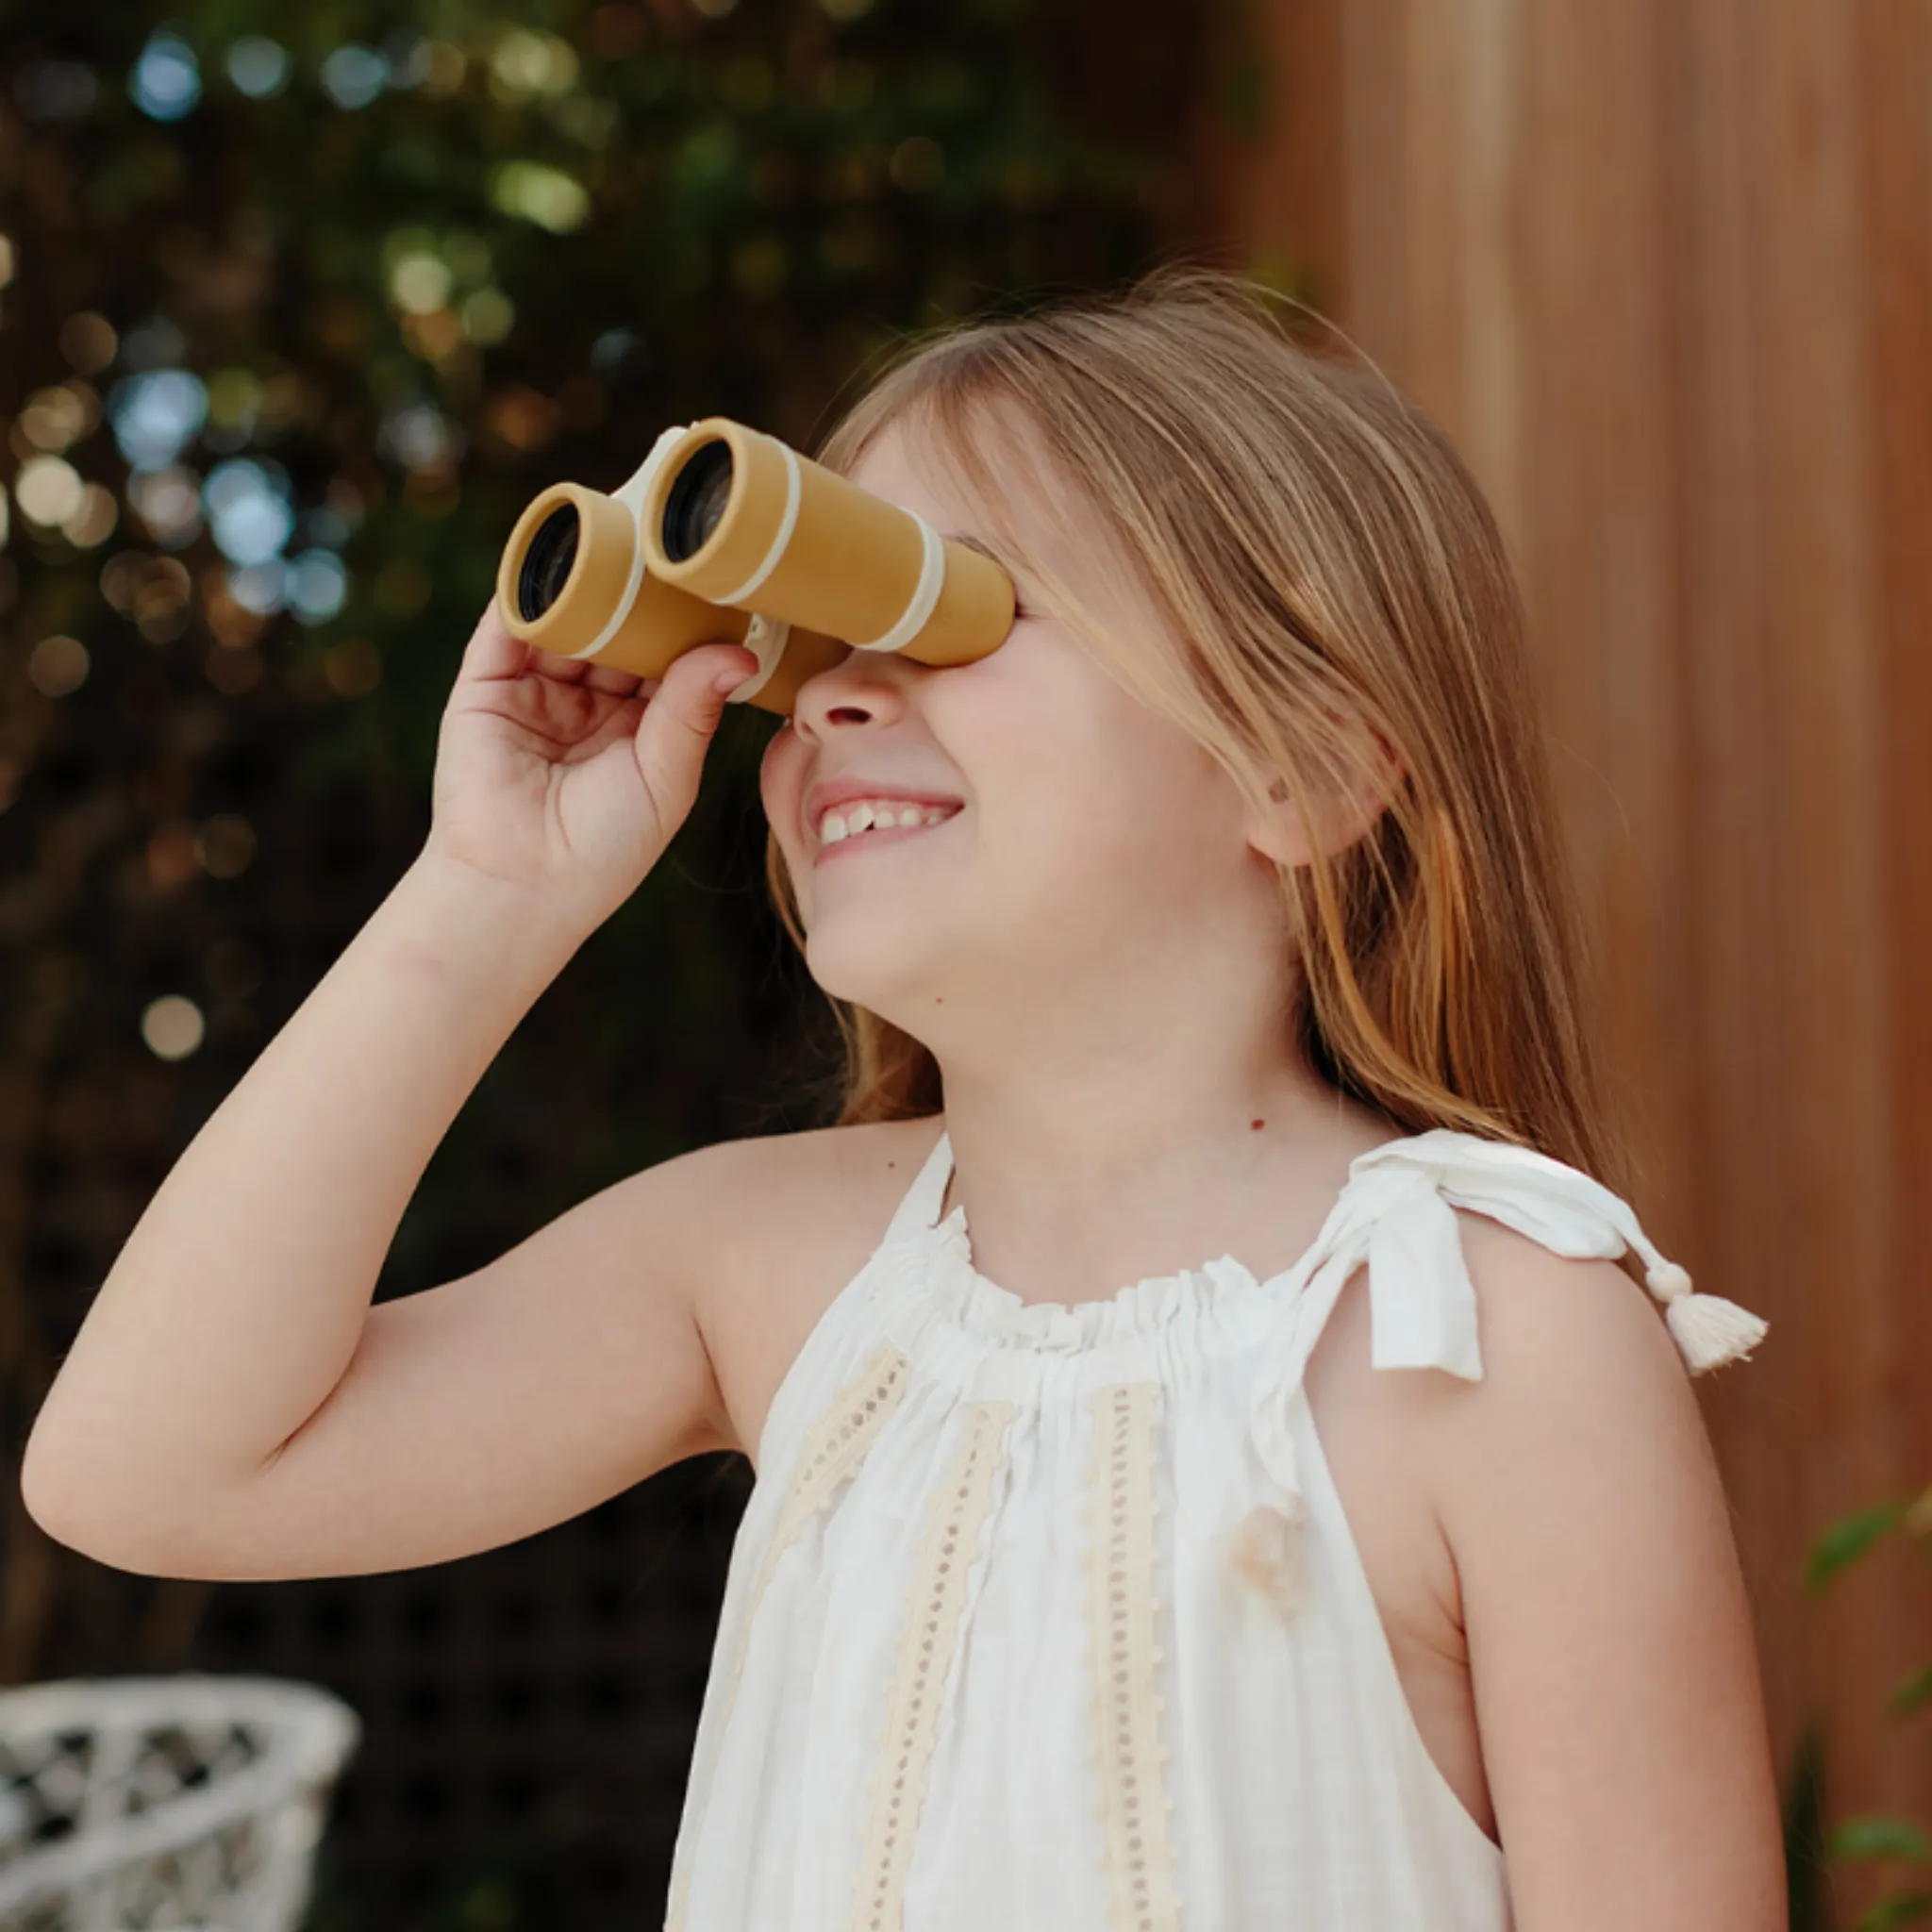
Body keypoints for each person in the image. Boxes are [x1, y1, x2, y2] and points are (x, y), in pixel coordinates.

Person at [23, 264, 1784, 1928]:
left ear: (1304, 765)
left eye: (954, 608)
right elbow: (152, 1472)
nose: (835, 693)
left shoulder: (1481, 1338)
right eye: (805, 646)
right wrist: (488, 898)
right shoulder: (770, 1270)